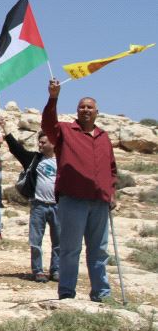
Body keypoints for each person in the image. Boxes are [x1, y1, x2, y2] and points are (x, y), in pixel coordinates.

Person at [42, 79, 116, 302]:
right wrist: (53, 97)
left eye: (89, 107)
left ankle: (101, 293)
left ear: (96, 112)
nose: (85, 110)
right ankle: (67, 293)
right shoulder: (65, 131)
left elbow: (112, 168)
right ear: (77, 110)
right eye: (82, 106)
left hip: (100, 201)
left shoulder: (104, 137)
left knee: (99, 251)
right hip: (73, 200)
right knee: (70, 250)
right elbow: (47, 125)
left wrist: (111, 193)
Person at [1, 117, 59, 283]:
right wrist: (5, 129)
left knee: (59, 242)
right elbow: (16, 149)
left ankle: (56, 270)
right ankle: (38, 270)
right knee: (35, 241)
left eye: (43, 142)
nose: (40, 145)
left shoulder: (64, 160)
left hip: (58, 206)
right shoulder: (33, 159)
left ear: (53, 143)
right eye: (39, 142)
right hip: (38, 205)